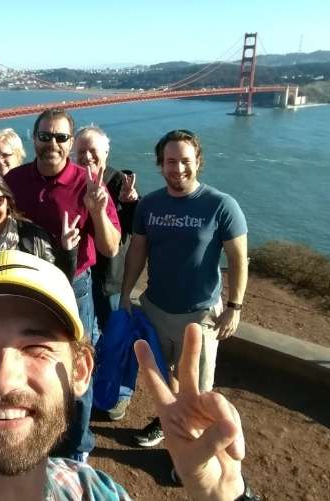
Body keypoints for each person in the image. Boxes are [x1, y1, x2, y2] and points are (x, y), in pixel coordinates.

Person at [0, 250, 254, 501]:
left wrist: (225, 497)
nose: (4, 380)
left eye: (37, 348)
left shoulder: (97, 493)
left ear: (81, 370)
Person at [120, 130, 248, 459]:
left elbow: (237, 258)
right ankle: (169, 425)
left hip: (200, 316)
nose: (178, 169)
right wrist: (126, 295)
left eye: (185, 161)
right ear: (160, 165)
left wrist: (234, 306)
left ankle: (195, 453)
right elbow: (137, 252)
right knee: (165, 379)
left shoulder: (221, 205)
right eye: (171, 162)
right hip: (156, 309)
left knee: (199, 390)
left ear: (198, 163)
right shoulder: (149, 204)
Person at [3, 108, 122, 462]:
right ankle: (37, 435)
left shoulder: (89, 183)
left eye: (60, 137)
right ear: (33, 138)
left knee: (76, 371)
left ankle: (77, 447)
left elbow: (110, 247)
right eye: (44, 136)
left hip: (74, 287)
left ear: (70, 142)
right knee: (30, 365)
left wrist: (98, 211)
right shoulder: (15, 179)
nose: (51, 143)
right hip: (28, 286)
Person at [74, 125, 139, 421]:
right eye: (82, 151)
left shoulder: (116, 181)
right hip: (81, 276)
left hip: (110, 278)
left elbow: (132, 231)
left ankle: (121, 394)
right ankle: (95, 386)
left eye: (93, 151)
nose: (87, 157)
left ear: (106, 153)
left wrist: (130, 203)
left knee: (117, 336)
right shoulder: (70, 180)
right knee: (90, 337)